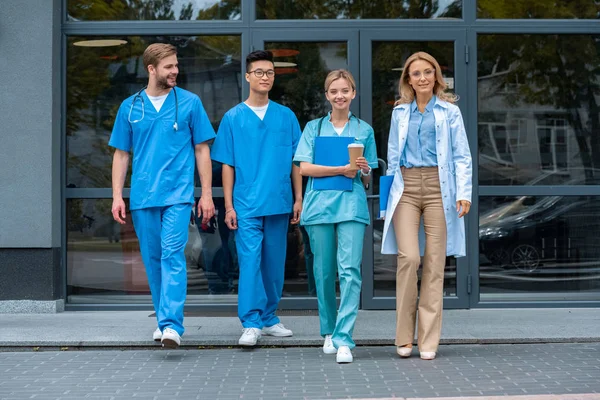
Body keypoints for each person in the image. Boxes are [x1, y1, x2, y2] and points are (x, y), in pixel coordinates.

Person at [110, 43, 216, 349]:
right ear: (151, 69)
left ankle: (171, 324)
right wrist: (118, 196)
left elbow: (202, 150)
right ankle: (163, 319)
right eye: (169, 66)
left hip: (178, 195)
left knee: (172, 255)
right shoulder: (130, 107)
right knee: (153, 259)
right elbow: (120, 155)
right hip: (143, 196)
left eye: (176, 65)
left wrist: (206, 194)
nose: (175, 71)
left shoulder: (190, 103)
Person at [381, 52, 472, 360]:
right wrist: (386, 200)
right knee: (408, 258)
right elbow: (393, 157)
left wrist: (464, 193)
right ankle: (404, 337)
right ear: (408, 79)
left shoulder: (449, 112)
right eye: (415, 73)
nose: (422, 77)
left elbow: (461, 155)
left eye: (427, 72)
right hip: (405, 187)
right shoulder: (400, 112)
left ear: (436, 76)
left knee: (435, 262)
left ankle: (428, 340)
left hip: (439, 188)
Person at [210, 50, 303, 347]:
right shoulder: (233, 118)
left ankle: (269, 318)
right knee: (250, 262)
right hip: (246, 204)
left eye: (270, 73)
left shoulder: (286, 116)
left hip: (279, 201)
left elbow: (296, 162)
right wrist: (228, 205)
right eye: (260, 72)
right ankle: (250, 322)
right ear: (248, 76)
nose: (266, 77)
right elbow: (227, 164)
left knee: (274, 263)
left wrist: (298, 198)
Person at [293, 69, 378, 364]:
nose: (339, 96)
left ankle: (344, 338)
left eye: (345, 90)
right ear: (327, 96)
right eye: (334, 91)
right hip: (319, 206)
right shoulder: (314, 129)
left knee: (350, 271)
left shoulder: (364, 130)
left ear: (353, 93)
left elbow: (367, 178)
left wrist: (364, 169)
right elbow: (304, 168)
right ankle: (328, 330)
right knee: (324, 273)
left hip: (352, 206)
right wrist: (341, 169)